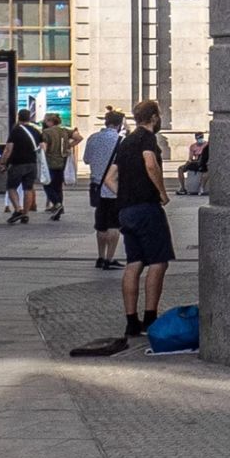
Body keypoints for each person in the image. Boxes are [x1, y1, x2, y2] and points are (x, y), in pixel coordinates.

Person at [101, 100, 173, 336]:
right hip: (146, 207)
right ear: (153, 117)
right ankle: (151, 318)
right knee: (158, 262)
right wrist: (162, 192)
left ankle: (131, 321)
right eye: (159, 115)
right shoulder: (146, 137)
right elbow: (151, 164)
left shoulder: (126, 141)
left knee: (134, 262)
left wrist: (124, 195)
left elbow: (110, 179)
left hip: (126, 211)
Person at [83, 110, 126, 269]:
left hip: (97, 187)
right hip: (114, 187)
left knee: (100, 224)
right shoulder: (121, 140)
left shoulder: (93, 138)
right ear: (119, 123)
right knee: (114, 225)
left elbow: (86, 160)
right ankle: (109, 258)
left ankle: (100, 256)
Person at [0, 107, 41, 223]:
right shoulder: (36, 131)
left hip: (17, 163)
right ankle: (25, 214)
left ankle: (18, 209)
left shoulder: (16, 131)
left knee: (11, 187)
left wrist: (3, 162)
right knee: (28, 188)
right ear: (29, 118)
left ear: (18, 117)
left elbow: (8, 149)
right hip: (32, 163)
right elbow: (42, 147)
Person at [40, 111, 72, 219]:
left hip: (50, 162)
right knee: (58, 186)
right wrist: (68, 146)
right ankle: (59, 208)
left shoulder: (46, 132)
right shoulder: (64, 130)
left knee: (47, 184)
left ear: (50, 121)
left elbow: (44, 147)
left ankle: (57, 204)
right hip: (62, 161)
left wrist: (41, 155)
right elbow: (79, 137)